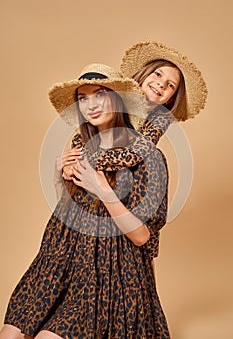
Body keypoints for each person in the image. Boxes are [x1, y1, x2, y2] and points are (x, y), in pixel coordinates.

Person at [1, 63, 170, 338]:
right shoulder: (80, 146)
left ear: (118, 99)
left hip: (104, 272)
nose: (91, 104)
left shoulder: (148, 158)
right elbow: (72, 212)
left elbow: (141, 236)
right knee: (9, 333)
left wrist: (104, 190)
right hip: (57, 263)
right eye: (83, 98)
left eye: (100, 94)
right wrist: (60, 176)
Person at [60, 41, 208, 258]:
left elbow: (133, 154)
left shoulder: (155, 125)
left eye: (170, 86)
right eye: (157, 75)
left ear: (171, 100)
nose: (160, 85)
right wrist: (69, 169)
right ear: (143, 75)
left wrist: (94, 172)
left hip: (125, 228)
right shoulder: (107, 108)